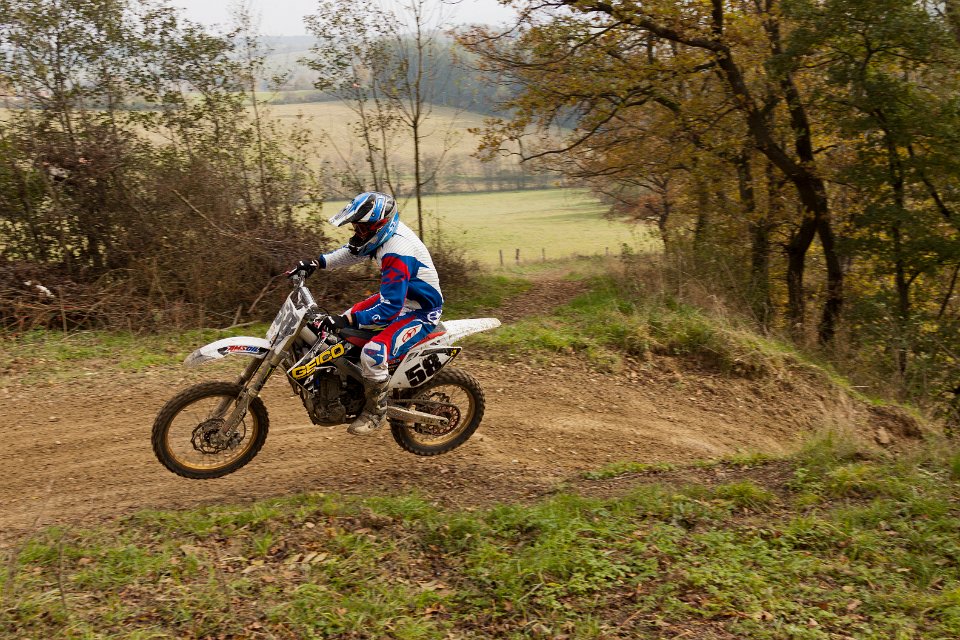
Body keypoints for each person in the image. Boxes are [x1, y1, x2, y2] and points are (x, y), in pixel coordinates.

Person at [286, 192, 443, 435]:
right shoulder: (379, 236)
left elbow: (390, 309)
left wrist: (347, 319)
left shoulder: (397, 253)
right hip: (399, 298)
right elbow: (352, 252)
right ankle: (352, 385)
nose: (357, 232)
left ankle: (375, 411)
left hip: (421, 311)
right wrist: (317, 263)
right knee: (341, 332)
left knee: (372, 352)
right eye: (356, 227)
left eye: (361, 228)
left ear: (379, 225)